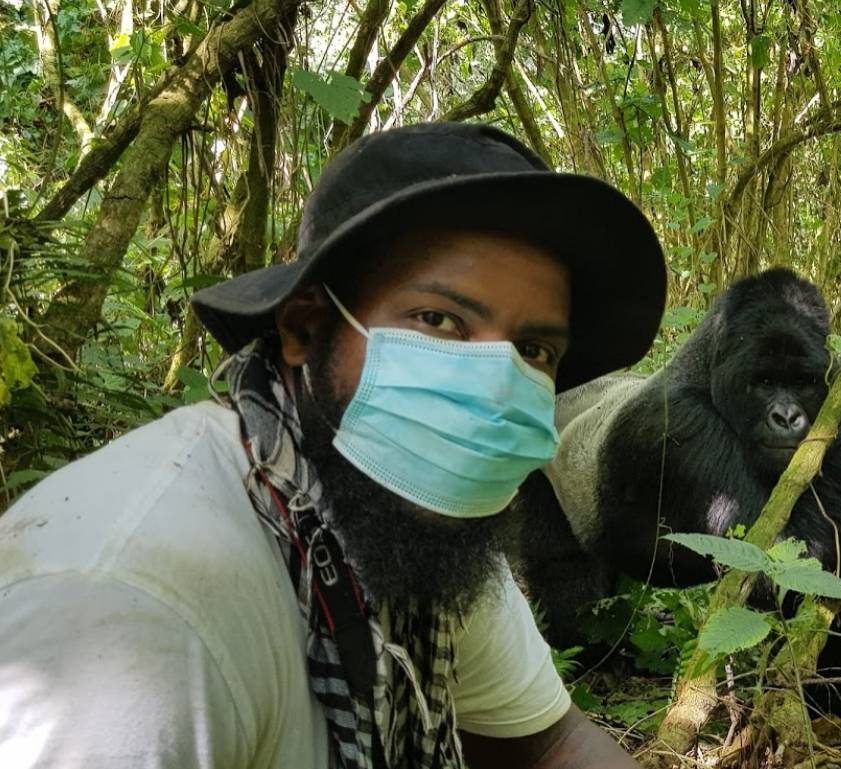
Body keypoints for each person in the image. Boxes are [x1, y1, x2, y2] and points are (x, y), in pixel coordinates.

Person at [0, 123, 667, 769]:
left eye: (533, 349)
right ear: (304, 327)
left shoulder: (419, 536)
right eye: (438, 320)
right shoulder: (134, 616)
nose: (495, 387)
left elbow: (551, 747)